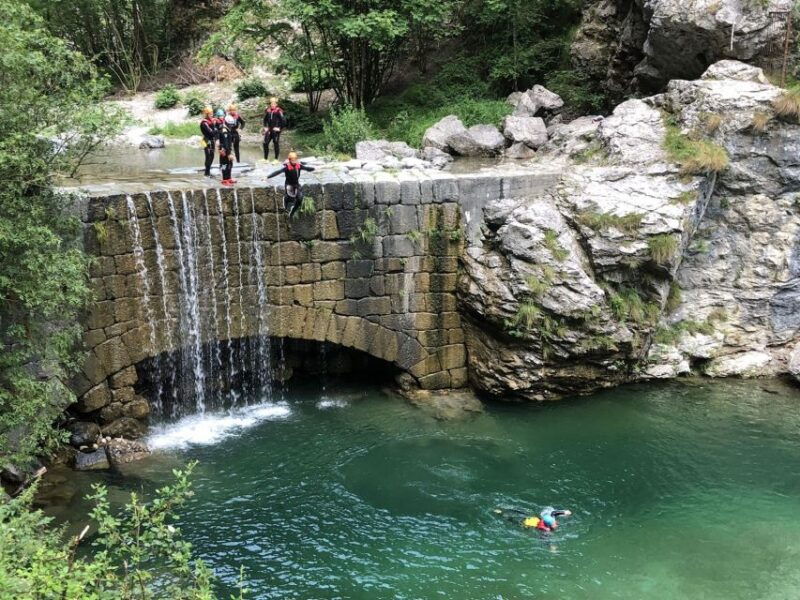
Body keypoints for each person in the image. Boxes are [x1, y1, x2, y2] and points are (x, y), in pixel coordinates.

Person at [266, 151, 314, 216]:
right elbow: (277, 172)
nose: (294, 161)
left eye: (295, 159)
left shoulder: (299, 166)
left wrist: (315, 168)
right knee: (290, 196)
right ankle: (285, 200)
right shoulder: (287, 167)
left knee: (300, 198)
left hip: (296, 184)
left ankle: (292, 211)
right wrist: (267, 177)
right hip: (289, 184)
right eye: (292, 160)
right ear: (290, 160)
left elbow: (307, 168)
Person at [494, 506, 572, 533]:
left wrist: (564, 512)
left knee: (522, 513)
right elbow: (544, 539)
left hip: (533, 519)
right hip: (526, 523)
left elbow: (554, 513)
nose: (556, 524)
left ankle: (505, 510)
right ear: (549, 525)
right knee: (513, 521)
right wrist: (551, 547)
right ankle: (501, 513)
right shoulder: (545, 530)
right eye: (554, 524)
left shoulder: (549, 518)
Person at [216, 109, 236, 186]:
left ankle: (229, 178)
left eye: (232, 125)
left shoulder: (228, 129)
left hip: (228, 149)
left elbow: (229, 142)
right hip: (224, 150)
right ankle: (224, 179)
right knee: (225, 165)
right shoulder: (224, 131)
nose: (231, 126)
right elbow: (225, 144)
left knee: (230, 164)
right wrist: (228, 154)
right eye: (230, 125)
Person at [199, 106, 217, 177]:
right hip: (205, 140)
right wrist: (216, 129)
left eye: (212, 113)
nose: (211, 115)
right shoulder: (204, 123)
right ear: (206, 114)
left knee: (212, 156)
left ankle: (208, 171)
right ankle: (207, 173)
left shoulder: (211, 121)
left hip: (211, 140)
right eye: (210, 114)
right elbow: (211, 132)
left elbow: (214, 132)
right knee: (208, 156)